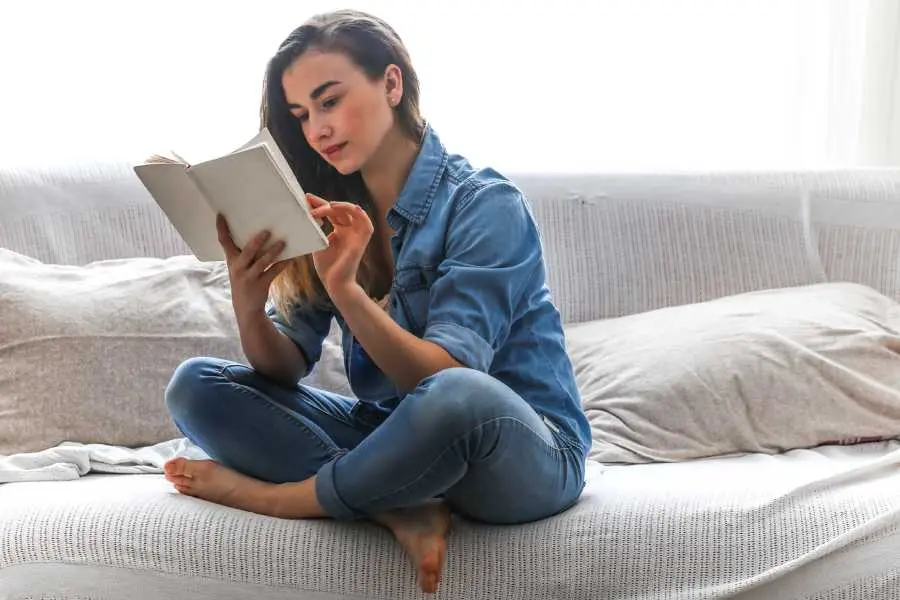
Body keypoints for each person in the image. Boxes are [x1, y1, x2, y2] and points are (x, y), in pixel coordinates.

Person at [161, 8, 591, 594]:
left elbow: (449, 377)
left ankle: (288, 498)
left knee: (456, 395)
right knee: (196, 386)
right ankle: (393, 504)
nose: (316, 129)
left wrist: (348, 291)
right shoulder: (331, 209)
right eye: (301, 115)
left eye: (329, 101)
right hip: (397, 435)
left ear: (392, 84)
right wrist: (247, 295)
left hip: (524, 448)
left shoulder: (485, 204)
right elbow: (283, 367)